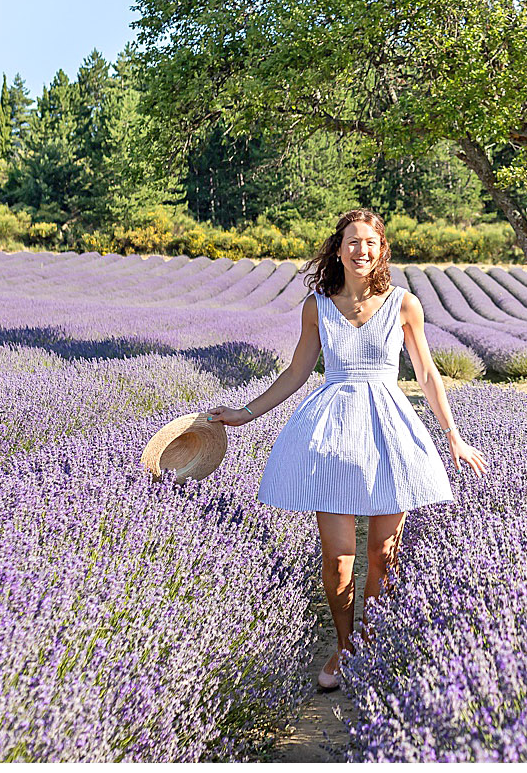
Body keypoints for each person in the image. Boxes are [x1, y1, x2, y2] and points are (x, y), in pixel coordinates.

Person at [206, 208, 488, 690]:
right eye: (352, 242)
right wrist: (245, 414)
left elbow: (426, 374)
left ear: (381, 250)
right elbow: (296, 373)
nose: (361, 250)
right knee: (338, 559)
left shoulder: (404, 304)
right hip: (332, 435)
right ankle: (344, 647)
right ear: (338, 249)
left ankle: (373, 646)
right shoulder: (317, 305)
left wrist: (453, 436)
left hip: (388, 434)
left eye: (370, 242)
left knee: (381, 553)